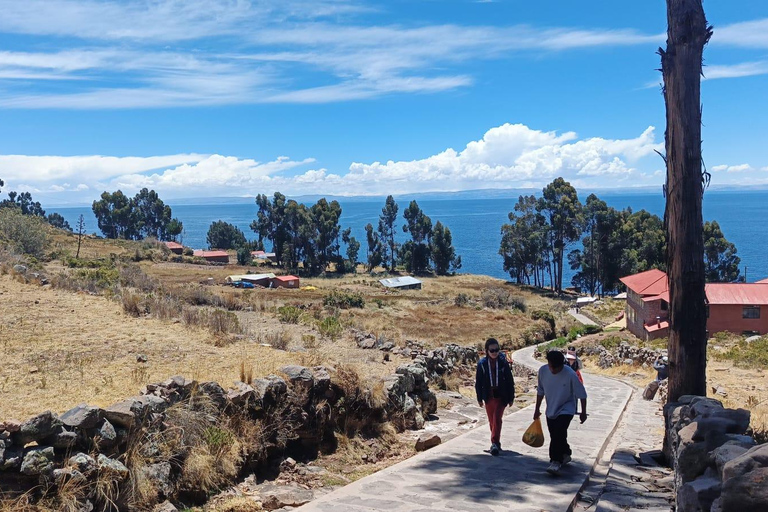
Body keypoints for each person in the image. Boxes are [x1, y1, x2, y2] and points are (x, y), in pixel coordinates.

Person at [534, 350, 588, 475]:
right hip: (551, 408)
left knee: (558, 431)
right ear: (548, 363)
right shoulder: (543, 371)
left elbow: (582, 394)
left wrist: (583, 412)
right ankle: (566, 453)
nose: (554, 370)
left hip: (567, 408)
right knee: (556, 434)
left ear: (562, 365)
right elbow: (540, 391)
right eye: (552, 366)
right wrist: (537, 409)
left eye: (557, 367)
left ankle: (555, 461)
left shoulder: (570, 374)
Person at [475, 338, 515, 456]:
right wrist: (479, 398)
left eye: (497, 350)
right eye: (492, 350)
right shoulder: (482, 364)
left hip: (502, 396)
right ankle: (496, 442)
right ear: (486, 351)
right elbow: (479, 382)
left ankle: (494, 443)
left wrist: (511, 397)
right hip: (489, 395)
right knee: (492, 420)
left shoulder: (503, 362)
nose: (494, 352)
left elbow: (509, 380)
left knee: (497, 418)